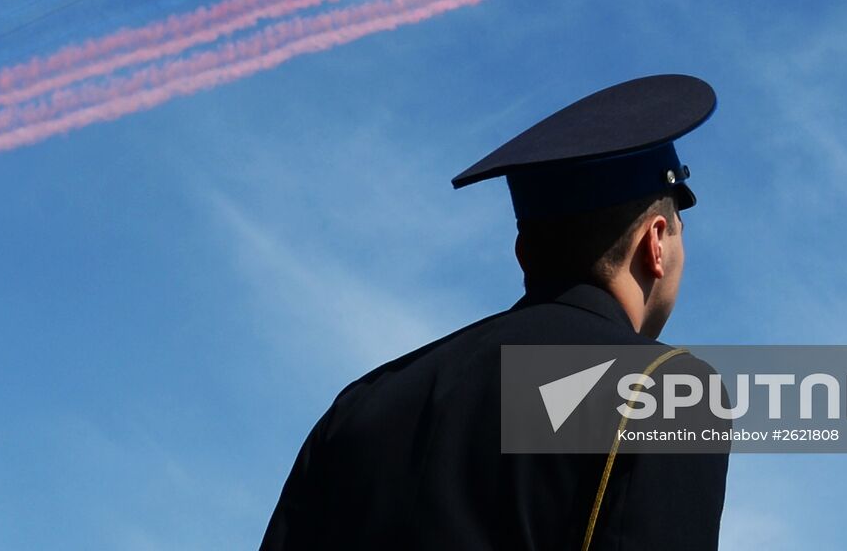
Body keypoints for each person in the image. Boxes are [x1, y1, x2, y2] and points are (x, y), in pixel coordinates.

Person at [260, 74, 729, 549]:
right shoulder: (668, 392)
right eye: (679, 230)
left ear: (524, 252)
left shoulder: (359, 407)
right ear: (655, 244)